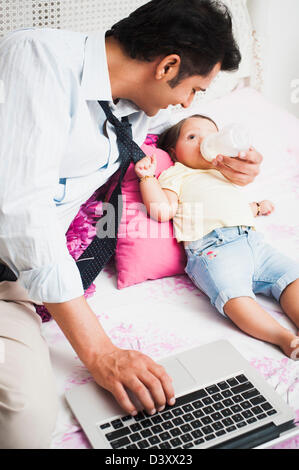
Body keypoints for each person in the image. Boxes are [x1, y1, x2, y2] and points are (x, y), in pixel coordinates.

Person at [0, 0, 263, 448]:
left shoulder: (132, 110)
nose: (187, 102)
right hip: (16, 260)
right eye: (195, 90)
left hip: (21, 280)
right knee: (25, 424)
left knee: (32, 422)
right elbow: (21, 213)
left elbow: (177, 143)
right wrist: (101, 352)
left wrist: (227, 168)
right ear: (168, 66)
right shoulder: (37, 57)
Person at [134, 114, 299, 359]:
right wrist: (147, 178)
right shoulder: (176, 174)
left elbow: (229, 205)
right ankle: (284, 338)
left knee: (291, 277)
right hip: (214, 249)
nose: (203, 142)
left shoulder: (224, 172)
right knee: (234, 297)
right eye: (192, 137)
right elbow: (162, 210)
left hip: (253, 242)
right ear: (174, 152)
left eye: (210, 137)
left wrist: (256, 207)